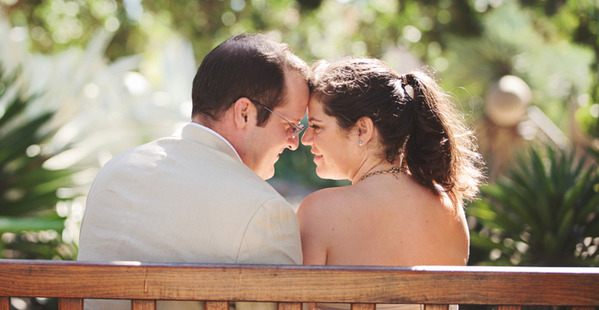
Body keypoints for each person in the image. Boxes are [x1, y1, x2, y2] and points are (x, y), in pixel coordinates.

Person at [78, 33, 311, 310]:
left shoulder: (114, 171)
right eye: (291, 126)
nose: (295, 143)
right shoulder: (264, 211)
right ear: (244, 112)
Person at [297, 58, 483, 309]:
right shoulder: (449, 204)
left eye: (317, 126)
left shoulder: (319, 211)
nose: (306, 138)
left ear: (363, 130)